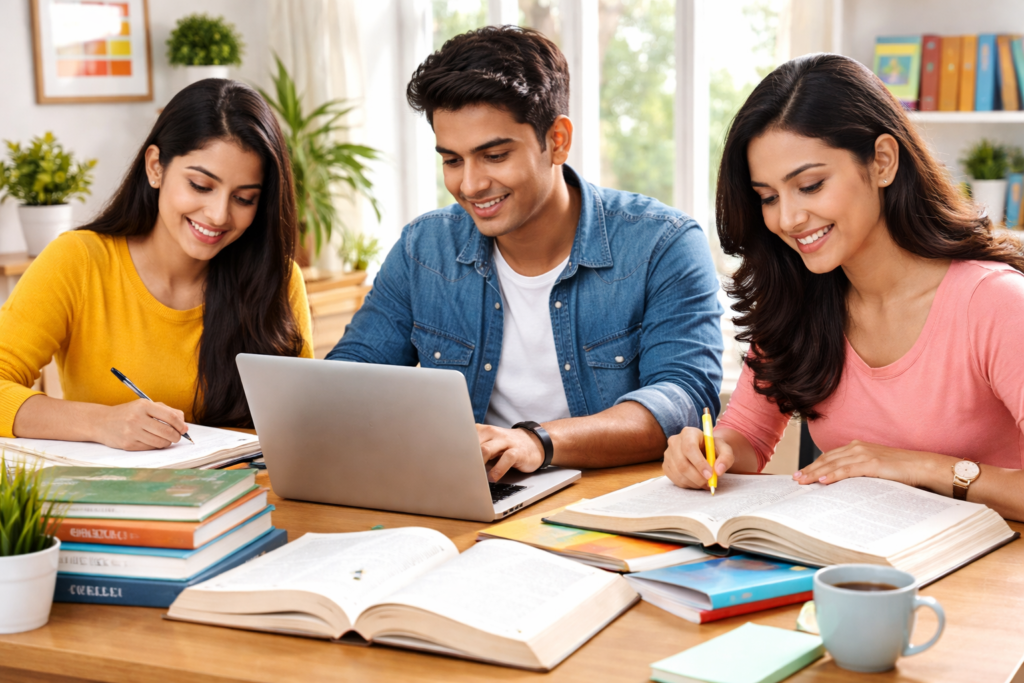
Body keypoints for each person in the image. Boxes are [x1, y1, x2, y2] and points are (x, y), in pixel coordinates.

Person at [328, 26, 723, 481]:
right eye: (452, 160)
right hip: (477, 498)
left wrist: (538, 441)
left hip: (608, 508)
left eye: (494, 156)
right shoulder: (424, 248)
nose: (470, 185)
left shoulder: (663, 244)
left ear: (557, 140)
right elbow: (349, 379)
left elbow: (684, 399)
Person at [663, 53, 1024, 521]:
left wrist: (917, 467)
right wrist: (706, 453)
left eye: (810, 185)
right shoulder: (798, 300)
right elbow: (747, 436)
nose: (788, 219)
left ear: (882, 162)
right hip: (856, 570)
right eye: (768, 197)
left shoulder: (995, 304)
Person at [0, 79, 313, 450]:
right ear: (156, 167)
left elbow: (304, 420)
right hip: (118, 499)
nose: (218, 215)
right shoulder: (79, 261)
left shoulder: (277, 279)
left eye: (244, 199)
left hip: (247, 498)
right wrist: (100, 422)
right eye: (200, 185)